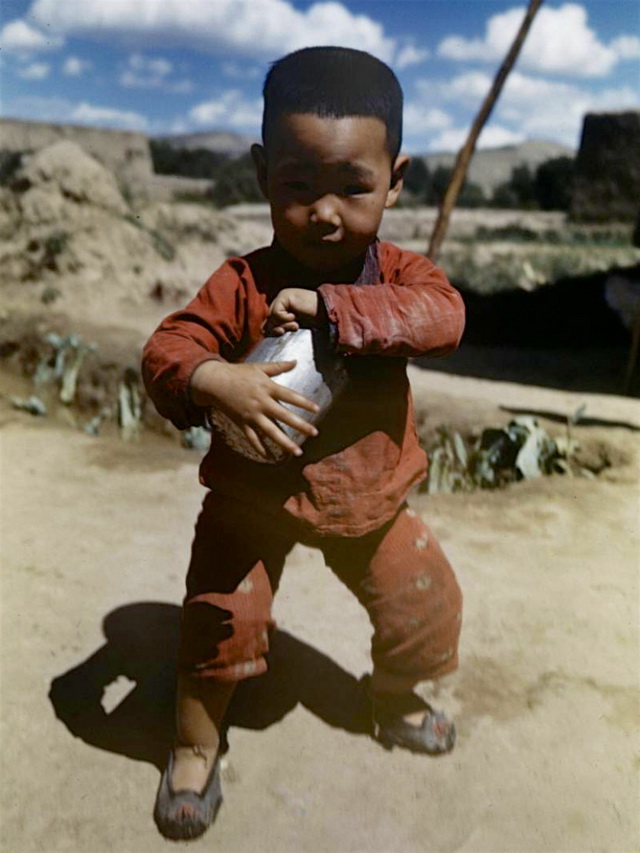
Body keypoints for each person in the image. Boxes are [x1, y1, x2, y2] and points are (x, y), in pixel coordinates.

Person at [142, 45, 465, 841]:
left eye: (353, 187)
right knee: (219, 623)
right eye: (298, 186)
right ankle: (193, 744)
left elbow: (444, 317)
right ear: (261, 173)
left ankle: (393, 693)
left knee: (427, 605)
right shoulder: (241, 283)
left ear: (395, 178)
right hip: (250, 502)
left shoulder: (401, 276)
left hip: (371, 499)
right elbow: (167, 350)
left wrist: (337, 311)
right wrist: (218, 382)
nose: (325, 211)